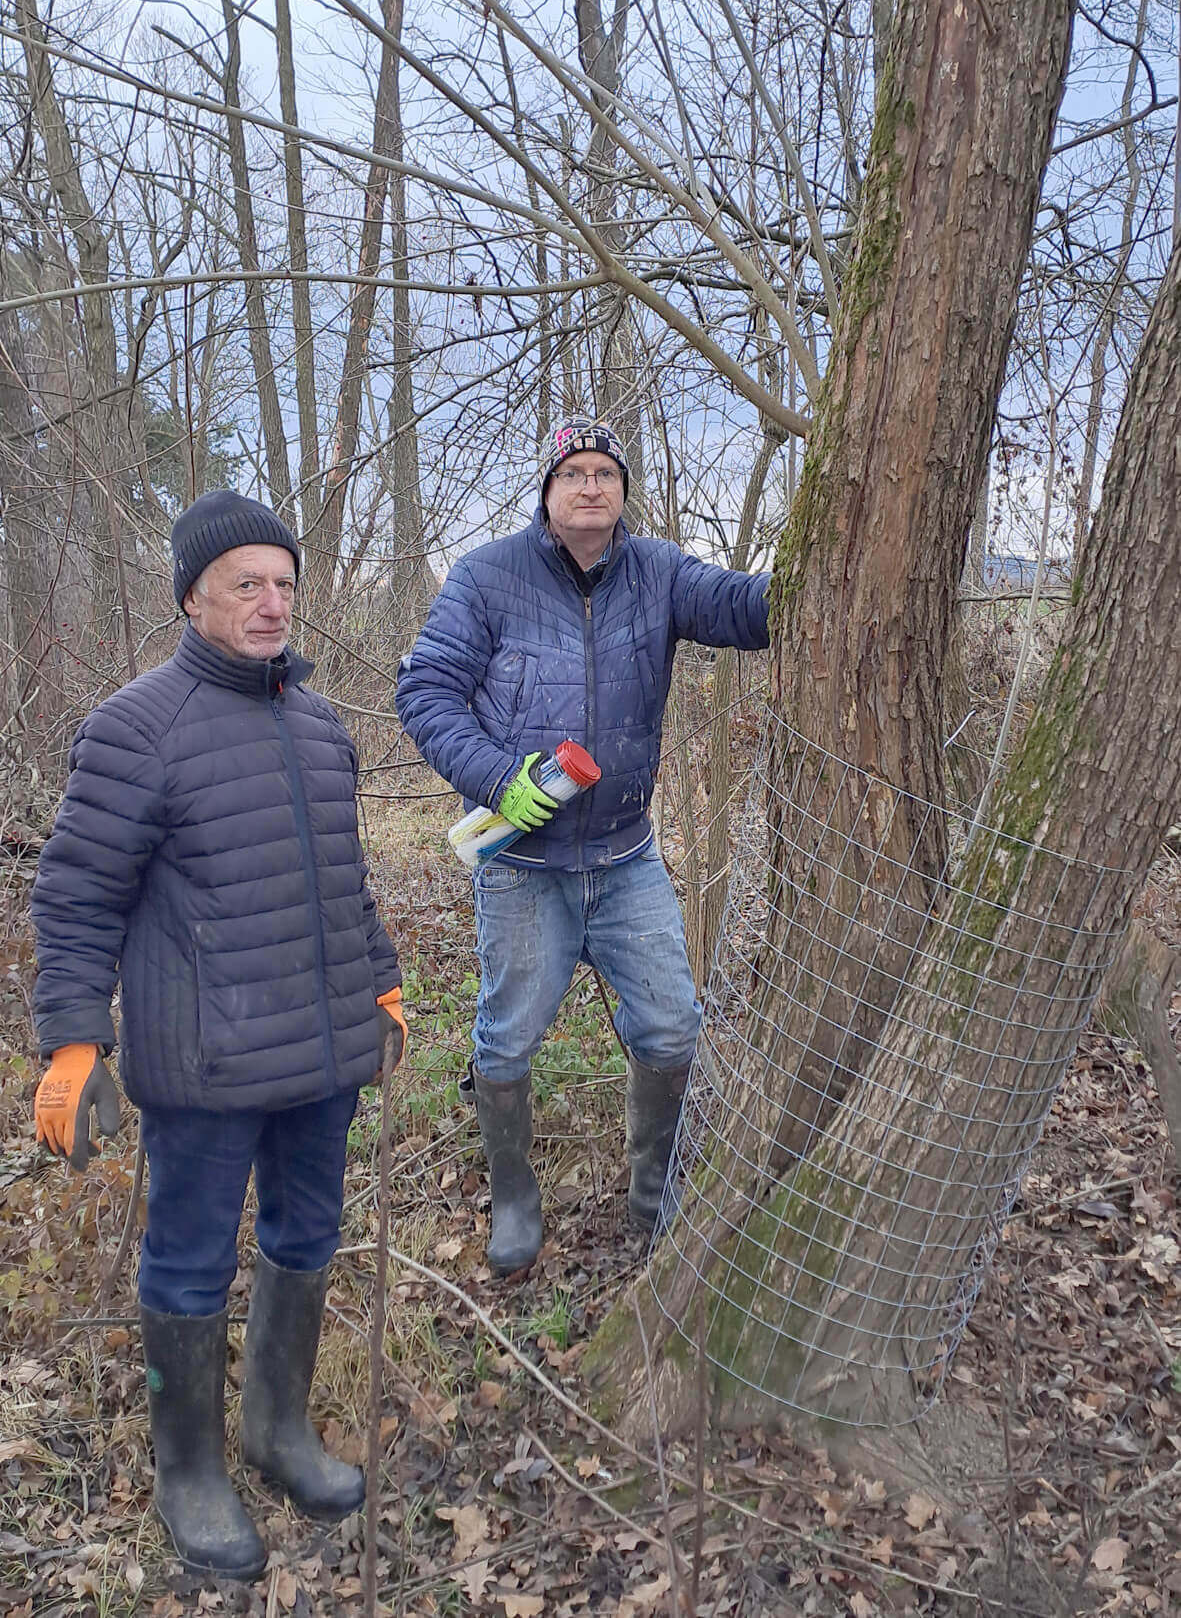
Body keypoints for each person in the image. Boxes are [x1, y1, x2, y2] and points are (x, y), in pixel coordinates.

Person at [30, 490, 406, 1582]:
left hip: (320, 1052)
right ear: (191, 595)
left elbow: (346, 881)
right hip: (205, 1059)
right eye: (246, 582)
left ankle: (276, 1430)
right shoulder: (135, 727)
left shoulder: (321, 724)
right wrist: (71, 1038)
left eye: (284, 583)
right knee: (189, 1260)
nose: (271, 602)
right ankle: (187, 1466)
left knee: (306, 1234)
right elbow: (76, 895)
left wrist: (378, 988)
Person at [396, 416, 770, 1275]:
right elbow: (425, 692)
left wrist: (805, 577)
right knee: (505, 1040)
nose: (591, 486)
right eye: (574, 473)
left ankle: (655, 1195)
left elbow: (738, 608)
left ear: (623, 492)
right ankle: (516, 1199)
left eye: (606, 472)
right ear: (548, 491)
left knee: (672, 1031)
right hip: (523, 870)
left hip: (624, 859)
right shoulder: (487, 577)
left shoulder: (660, 572)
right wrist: (499, 778)